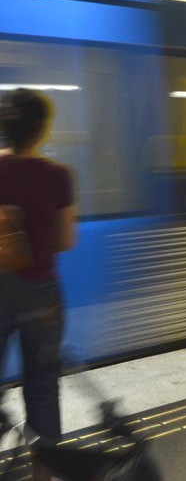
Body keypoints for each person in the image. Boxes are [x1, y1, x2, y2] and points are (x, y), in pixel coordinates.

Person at [0, 89, 76, 471]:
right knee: (44, 390)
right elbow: (64, 241)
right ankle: (42, 477)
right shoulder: (59, 176)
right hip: (42, 295)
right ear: (41, 129)